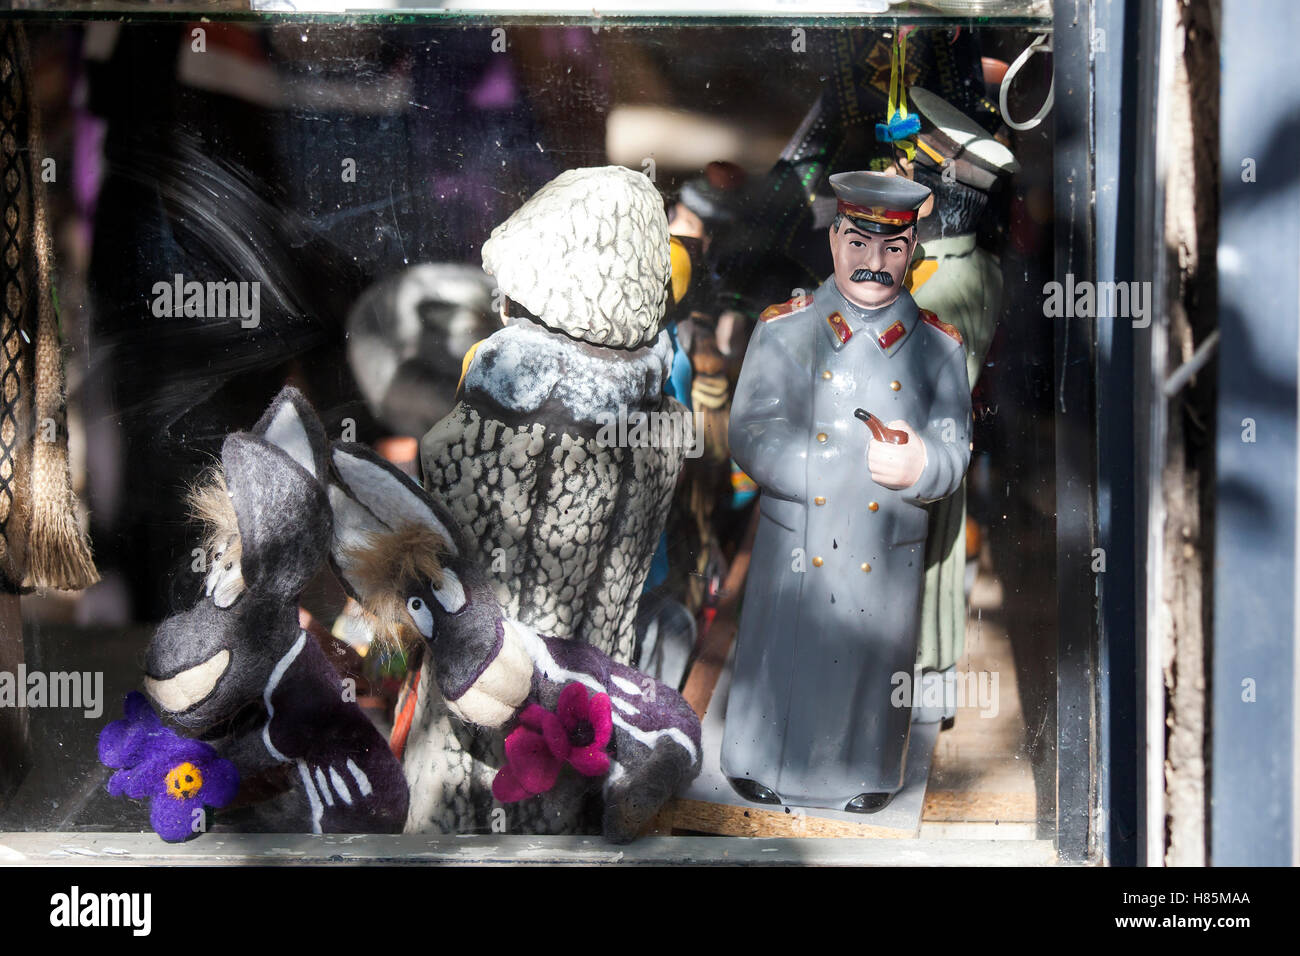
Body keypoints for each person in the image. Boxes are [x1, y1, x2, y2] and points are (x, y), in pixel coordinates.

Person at [722, 170, 971, 813]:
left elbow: (954, 449)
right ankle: (758, 758)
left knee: (869, 660)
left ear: (912, 250)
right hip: (798, 537)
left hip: (884, 542)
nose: (873, 262)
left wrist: (921, 463)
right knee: (784, 655)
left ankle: (865, 769)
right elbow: (751, 430)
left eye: (891, 248)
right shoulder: (785, 329)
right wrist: (824, 469)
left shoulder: (940, 349)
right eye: (859, 243)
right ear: (834, 240)